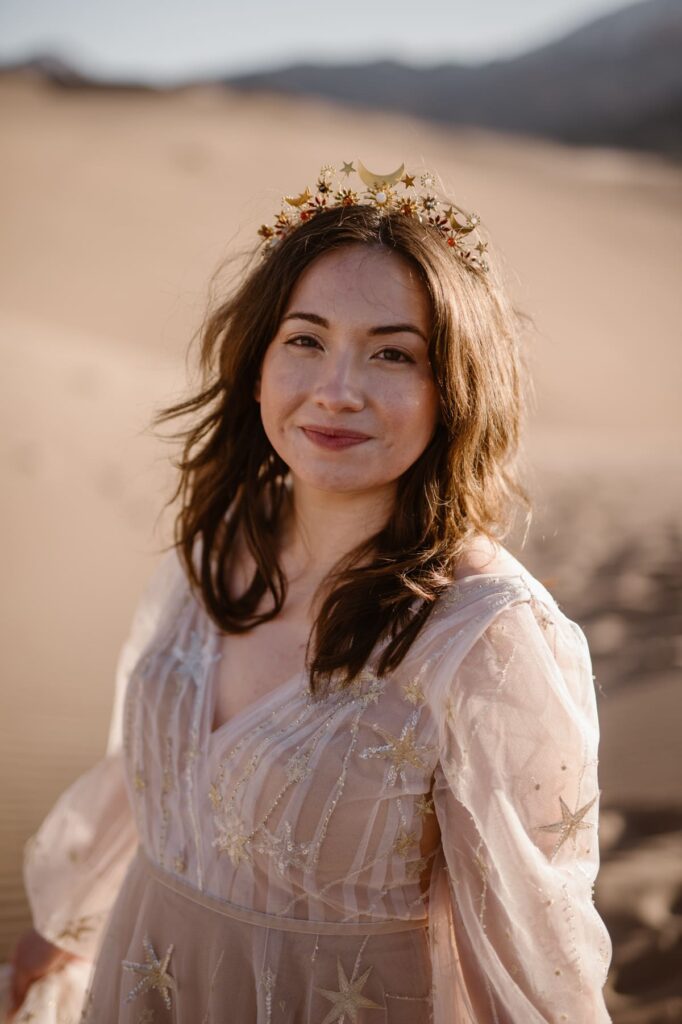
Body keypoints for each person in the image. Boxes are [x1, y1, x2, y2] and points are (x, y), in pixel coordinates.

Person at [6, 161, 613, 1022]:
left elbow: (531, 955)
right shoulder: (216, 552)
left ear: (456, 390)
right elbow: (154, 784)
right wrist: (60, 932)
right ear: (257, 364)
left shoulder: (490, 639)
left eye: (394, 353)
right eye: (305, 339)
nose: (338, 390)